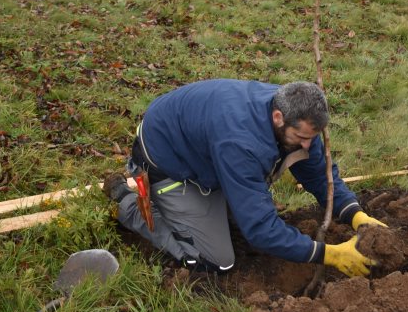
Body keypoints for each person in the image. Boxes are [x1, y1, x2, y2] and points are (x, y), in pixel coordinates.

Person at [102, 79, 382, 277]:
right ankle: (126, 201)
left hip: (206, 152)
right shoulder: (241, 143)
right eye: (301, 138)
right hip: (168, 160)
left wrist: (356, 214)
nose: (307, 146)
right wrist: (328, 254)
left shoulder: (299, 116)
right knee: (216, 261)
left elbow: (320, 176)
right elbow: (260, 231)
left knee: (243, 215)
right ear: (277, 117)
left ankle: (207, 199)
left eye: (313, 138)